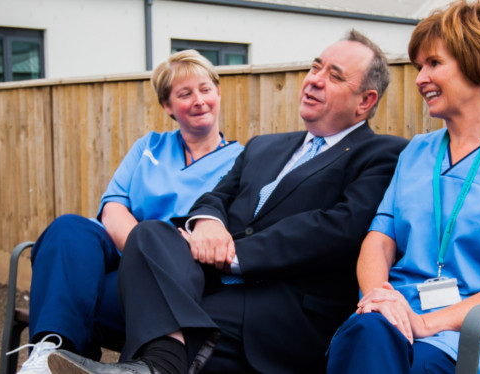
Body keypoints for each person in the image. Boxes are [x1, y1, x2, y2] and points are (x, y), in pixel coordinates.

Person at [46, 29, 408, 374]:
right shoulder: (266, 146)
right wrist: (208, 224)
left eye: (334, 75)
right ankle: (157, 363)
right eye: (315, 66)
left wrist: (233, 254)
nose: (314, 79)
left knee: (163, 316)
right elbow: (215, 197)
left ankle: (157, 361)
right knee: (151, 234)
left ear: (365, 101)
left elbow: (339, 228)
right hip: (203, 282)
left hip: (280, 305)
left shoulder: (382, 153)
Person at [326, 0, 480, 374]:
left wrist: (424, 323)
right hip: (389, 323)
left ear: (476, 64)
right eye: (419, 66)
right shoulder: (416, 152)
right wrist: (381, 298)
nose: (421, 79)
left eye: (433, 63)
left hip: (462, 342)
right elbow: (378, 242)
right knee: (368, 332)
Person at [10, 50, 244, 374]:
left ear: (218, 92)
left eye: (205, 89)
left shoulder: (241, 161)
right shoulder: (149, 146)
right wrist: (142, 249)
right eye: (185, 93)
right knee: (68, 228)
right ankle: (48, 357)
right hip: (119, 257)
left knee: (71, 291)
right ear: (167, 106)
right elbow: (114, 208)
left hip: (170, 283)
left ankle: (62, 351)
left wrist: (150, 259)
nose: (199, 100)